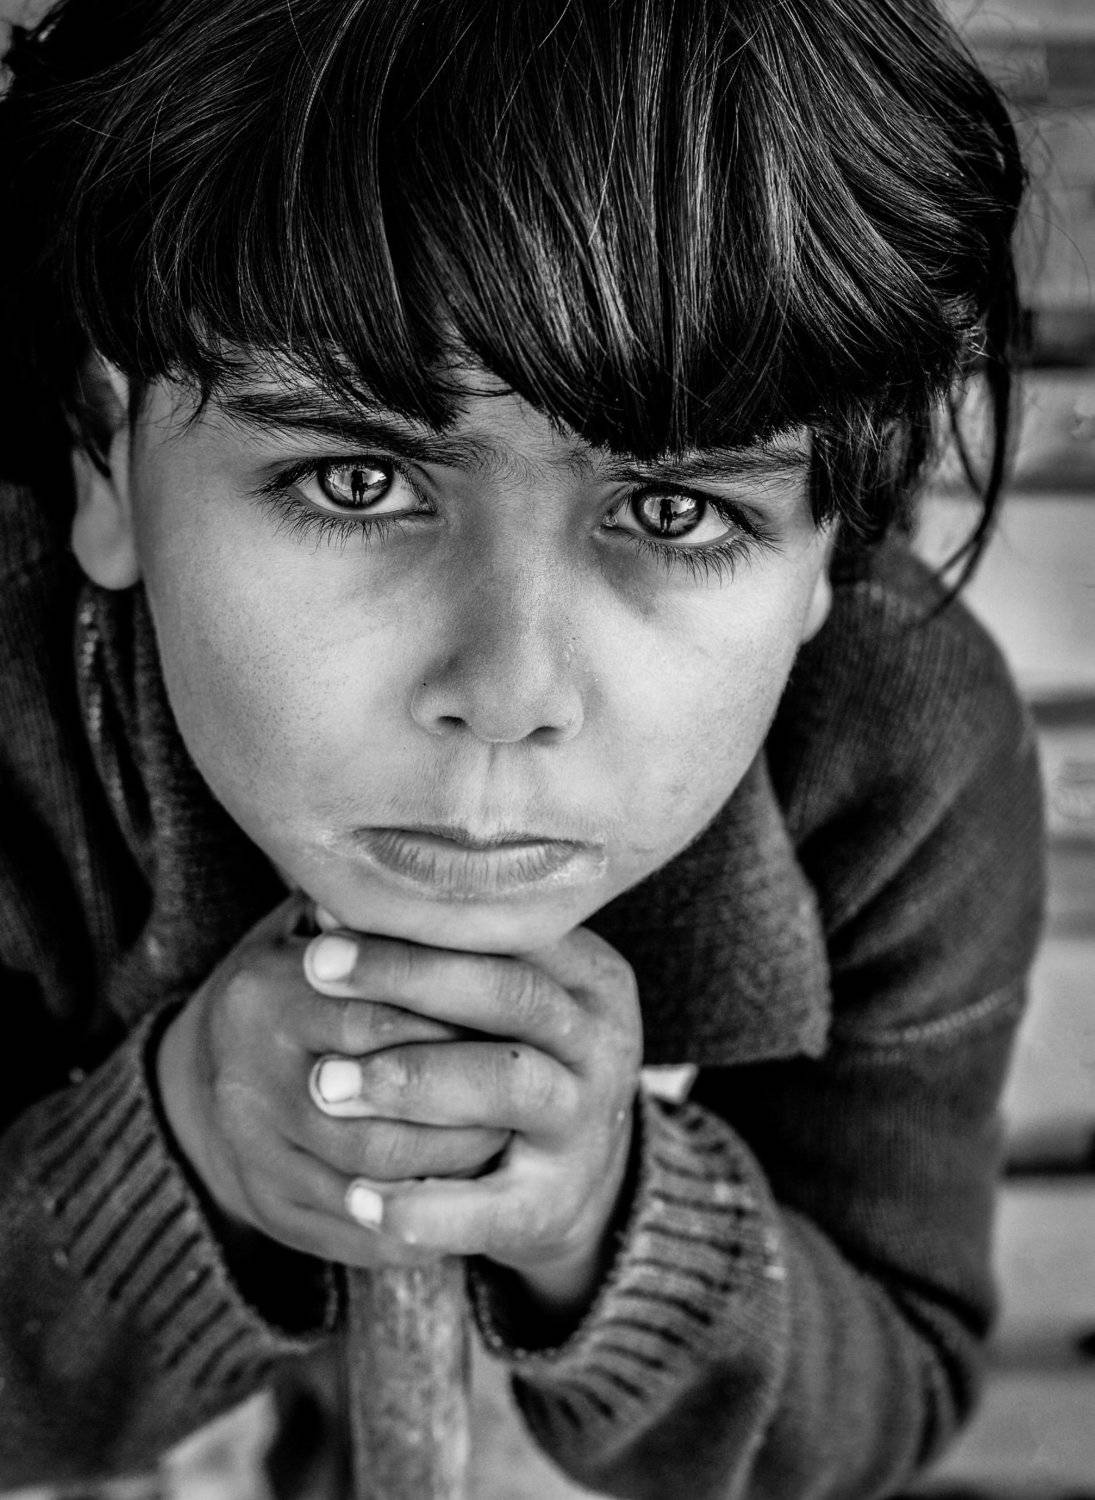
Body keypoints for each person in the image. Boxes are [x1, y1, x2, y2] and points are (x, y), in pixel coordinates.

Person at [0, 0, 1045, 1496]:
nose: (508, 693)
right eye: (357, 481)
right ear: (107, 455)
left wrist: (610, 1218)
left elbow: (892, 1379)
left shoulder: (900, 763)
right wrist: (184, 1160)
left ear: (828, 543)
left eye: (675, 511)